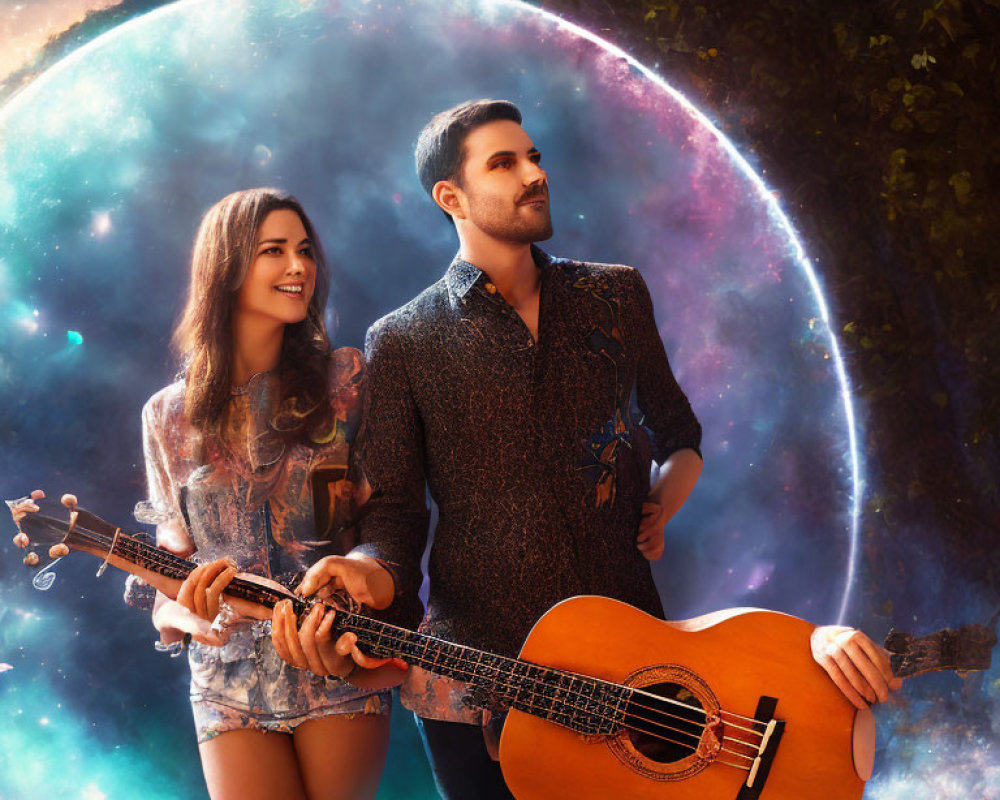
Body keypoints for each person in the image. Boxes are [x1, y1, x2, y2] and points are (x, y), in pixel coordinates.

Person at [268, 100, 899, 798]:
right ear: (451, 197)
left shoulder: (616, 295)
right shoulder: (403, 339)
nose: (534, 174)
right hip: (479, 687)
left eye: (534, 157)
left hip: (641, 680)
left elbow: (678, 432)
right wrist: (363, 569)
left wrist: (664, 496)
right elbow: (391, 517)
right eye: (503, 163)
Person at [75, 188, 389, 800]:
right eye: (274, 251)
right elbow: (172, 555)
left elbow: (385, 521)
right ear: (226, 266)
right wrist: (174, 611)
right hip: (225, 681)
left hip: (334, 663)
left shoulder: (346, 379)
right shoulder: (167, 414)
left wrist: (363, 575)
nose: (298, 267)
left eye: (304, 251)